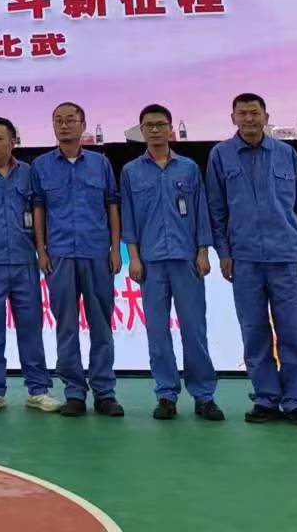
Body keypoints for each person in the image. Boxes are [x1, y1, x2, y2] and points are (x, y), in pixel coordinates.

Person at [207, 92, 297, 427]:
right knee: (254, 332)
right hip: (244, 260)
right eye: (242, 113)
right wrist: (224, 253)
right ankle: (266, 399)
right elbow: (216, 210)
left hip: (286, 257)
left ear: (265, 117)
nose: (249, 119)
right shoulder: (221, 156)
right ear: (233, 118)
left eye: (254, 113)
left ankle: (295, 401)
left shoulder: (286, 154)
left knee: (291, 333)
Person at [119, 104, 222, 422]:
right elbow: (128, 218)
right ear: (141, 131)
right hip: (150, 263)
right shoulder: (131, 172)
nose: (155, 130)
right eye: (148, 125)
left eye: (160, 124)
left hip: (186, 260)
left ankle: (204, 395)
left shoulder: (188, 168)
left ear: (170, 128)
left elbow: (201, 211)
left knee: (194, 330)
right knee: (157, 332)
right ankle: (166, 394)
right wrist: (133, 258)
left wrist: (203, 252)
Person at [32, 101, 123, 418]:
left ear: (83, 124)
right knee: (66, 326)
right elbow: (39, 209)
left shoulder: (100, 163)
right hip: (59, 255)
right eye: (58, 120)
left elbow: (112, 205)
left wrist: (115, 249)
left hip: (96, 252)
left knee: (101, 325)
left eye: (71, 119)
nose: (64, 125)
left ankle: (105, 392)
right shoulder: (41, 165)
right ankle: (73, 392)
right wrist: (41, 250)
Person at [0, 117, 57, 414]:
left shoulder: (29, 173)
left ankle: (38, 390)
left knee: (31, 327)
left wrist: (41, 250)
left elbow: (41, 212)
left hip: (25, 260)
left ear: (13, 142)